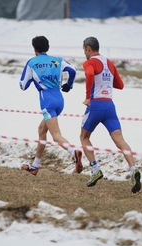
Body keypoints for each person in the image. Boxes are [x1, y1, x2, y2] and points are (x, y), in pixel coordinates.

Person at [80, 36, 141, 193]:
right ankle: (133, 168)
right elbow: (120, 85)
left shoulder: (89, 62)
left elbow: (91, 74)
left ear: (88, 48)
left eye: (84, 50)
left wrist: (88, 96)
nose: (84, 53)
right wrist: (106, 82)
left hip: (95, 105)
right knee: (120, 140)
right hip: (109, 106)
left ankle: (95, 170)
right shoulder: (109, 63)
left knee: (84, 137)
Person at [19, 35, 83, 175]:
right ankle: (35, 165)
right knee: (42, 129)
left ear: (35, 49)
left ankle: (74, 153)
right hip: (59, 100)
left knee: (56, 135)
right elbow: (72, 70)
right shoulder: (58, 60)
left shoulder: (32, 62)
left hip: (47, 101)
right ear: (47, 47)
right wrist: (69, 85)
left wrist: (32, 81)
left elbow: (22, 85)